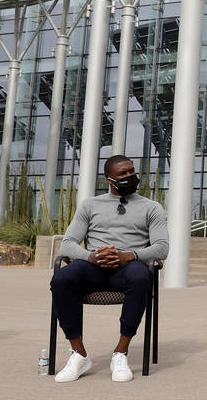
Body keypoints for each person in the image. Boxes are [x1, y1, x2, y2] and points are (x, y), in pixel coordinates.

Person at [50, 154, 168, 383]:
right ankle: (79, 354)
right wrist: (91, 257)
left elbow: (162, 248)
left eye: (131, 171)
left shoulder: (151, 207)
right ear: (109, 180)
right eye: (122, 173)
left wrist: (130, 255)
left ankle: (121, 352)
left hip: (127, 270)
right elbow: (67, 243)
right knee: (62, 278)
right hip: (93, 268)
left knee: (141, 275)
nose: (129, 176)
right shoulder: (90, 205)